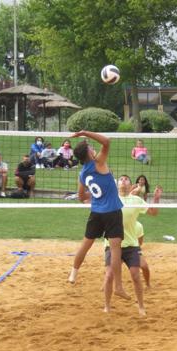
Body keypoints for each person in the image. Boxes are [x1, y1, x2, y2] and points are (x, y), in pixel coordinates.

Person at [67, 131, 124, 313]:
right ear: (90, 153)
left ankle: (73, 274)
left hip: (96, 212)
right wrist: (84, 133)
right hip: (112, 211)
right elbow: (107, 141)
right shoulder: (99, 162)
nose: (94, 148)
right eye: (91, 147)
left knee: (85, 244)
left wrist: (95, 197)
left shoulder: (83, 173)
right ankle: (118, 286)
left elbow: (81, 197)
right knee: (115, 248)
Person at [104, 174, 162, 316]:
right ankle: (107, 306)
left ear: (131, 185)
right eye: (121, 179)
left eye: (126, 179)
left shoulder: (136, 200)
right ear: (117, 185)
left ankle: (141, 306)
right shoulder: (110, 198)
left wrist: (156, 198)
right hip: (112, 244)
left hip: (131, 245)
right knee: (109, 276)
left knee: (136, 276)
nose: (123, 181)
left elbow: (153, 212)